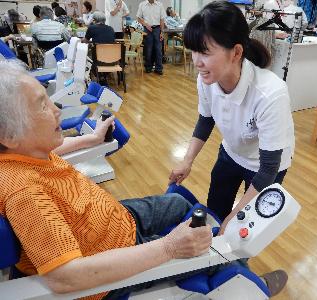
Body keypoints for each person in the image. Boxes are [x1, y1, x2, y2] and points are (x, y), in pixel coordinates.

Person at [0, 59, 287, 299]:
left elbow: (48, 150)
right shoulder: (23, 192)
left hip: (114, 221)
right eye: (41, 105)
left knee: (176, 202)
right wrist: (169, 247)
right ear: (9, 136)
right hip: (108, 261)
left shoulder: (26, 152)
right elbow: (65, 277)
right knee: (214, 250)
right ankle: (253, 284)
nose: (56, 109)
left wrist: (89, 138)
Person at [169, 1, 295, 235]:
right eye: (194, 50)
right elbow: (206, 120)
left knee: (242, 229)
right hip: (231, 153)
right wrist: (187, 161)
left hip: (266, 166)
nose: (197, 61)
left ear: (236, 52)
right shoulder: (206, 79)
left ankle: (238, 266)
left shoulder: (270, 93)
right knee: (215, 214)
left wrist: (236, 217)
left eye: (205, 52)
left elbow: (269, 168)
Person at [137, 0, 166, 75]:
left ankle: (158, 68)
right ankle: (148, 67)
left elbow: (162, 19)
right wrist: (146, 24)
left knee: (158, 50)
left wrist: (162, 32)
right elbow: (138, 18)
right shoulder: (142, 5)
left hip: (157, 29)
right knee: (148, 49)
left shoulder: (160, 5)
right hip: (147, 29)